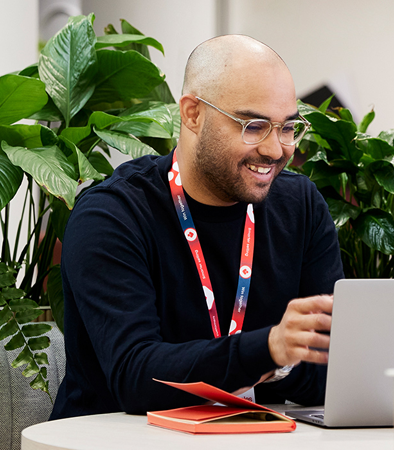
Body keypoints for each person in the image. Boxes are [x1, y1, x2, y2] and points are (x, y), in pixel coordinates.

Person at [50, 35, 343, 419]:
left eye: (287, 127)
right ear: (192, 114)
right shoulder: (112, 215)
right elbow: (136, 377)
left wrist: (274, 363)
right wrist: (270, 349)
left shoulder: (300, 206)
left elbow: (332, 366)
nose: (275, 150)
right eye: (253, 126)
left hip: (252, 438)